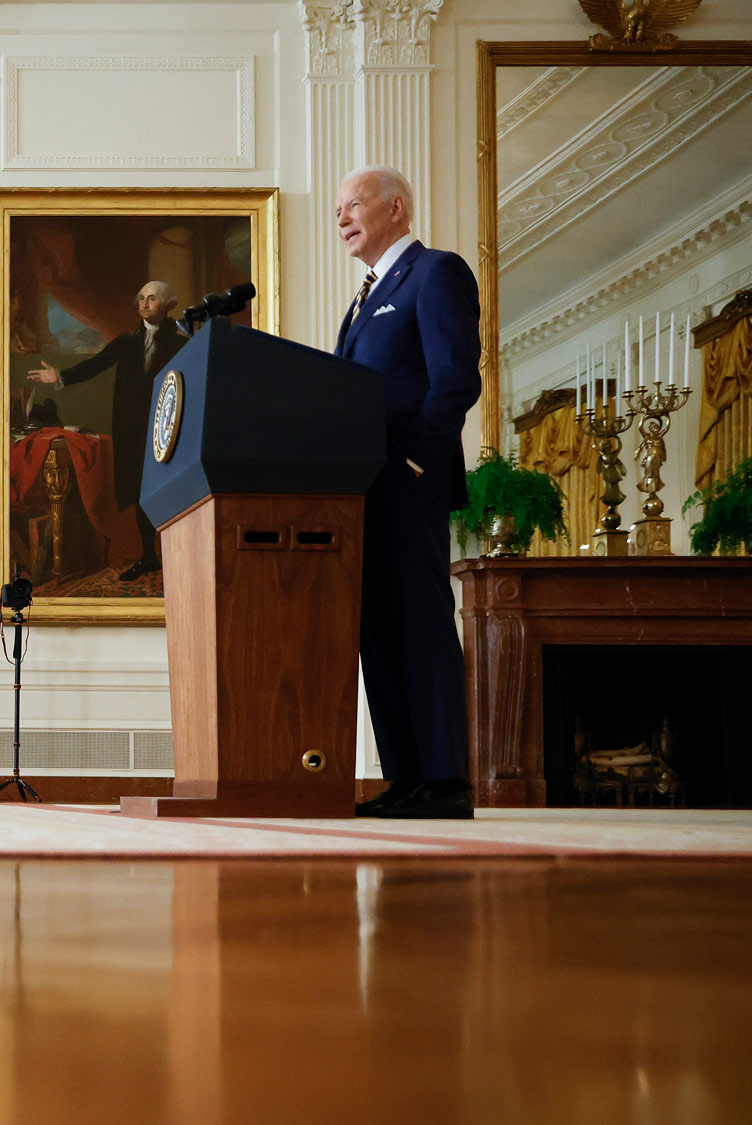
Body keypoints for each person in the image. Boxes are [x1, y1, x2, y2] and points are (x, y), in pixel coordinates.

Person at [332, 165, 481, 820]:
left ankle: (445, 780)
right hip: (362, 488)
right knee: (377, 631)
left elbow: (455, 379)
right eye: (337, 209)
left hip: (410, 483)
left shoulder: (434, 273)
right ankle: (406, 777)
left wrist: (419, 462)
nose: (341, 217)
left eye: (353, 204)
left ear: (395, 207)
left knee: (419, 624)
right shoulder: (362, 299)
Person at [26, 281, 188, 581]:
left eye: (151, 299)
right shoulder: (126, 343)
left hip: (169, 430)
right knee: (139, 492)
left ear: (167, 305)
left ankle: (179, 556)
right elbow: (94, 365)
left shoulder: (181, 345)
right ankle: (149, 556)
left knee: (171, 490)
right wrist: (59, 376)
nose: (144, 303)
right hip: (132, 430)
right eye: (140, 298)